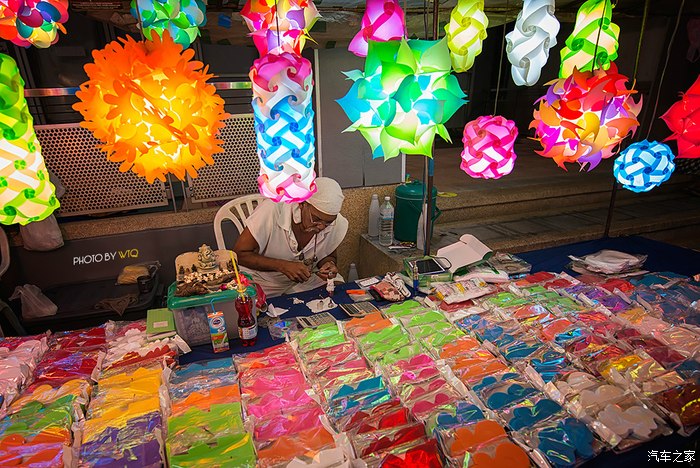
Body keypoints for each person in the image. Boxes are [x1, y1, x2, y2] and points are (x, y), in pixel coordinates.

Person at [233, 177, 348, 297]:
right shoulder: (272, 209)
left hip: (305, 280)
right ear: (302, 204)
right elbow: (239, 255)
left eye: (328, 223)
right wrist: (282, 266)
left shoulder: (335, 223)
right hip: (264, 281)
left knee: (339, 292)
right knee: (248, 304)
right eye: (316, 219)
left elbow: (328, 255)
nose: (321, 227)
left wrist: (328, 264)